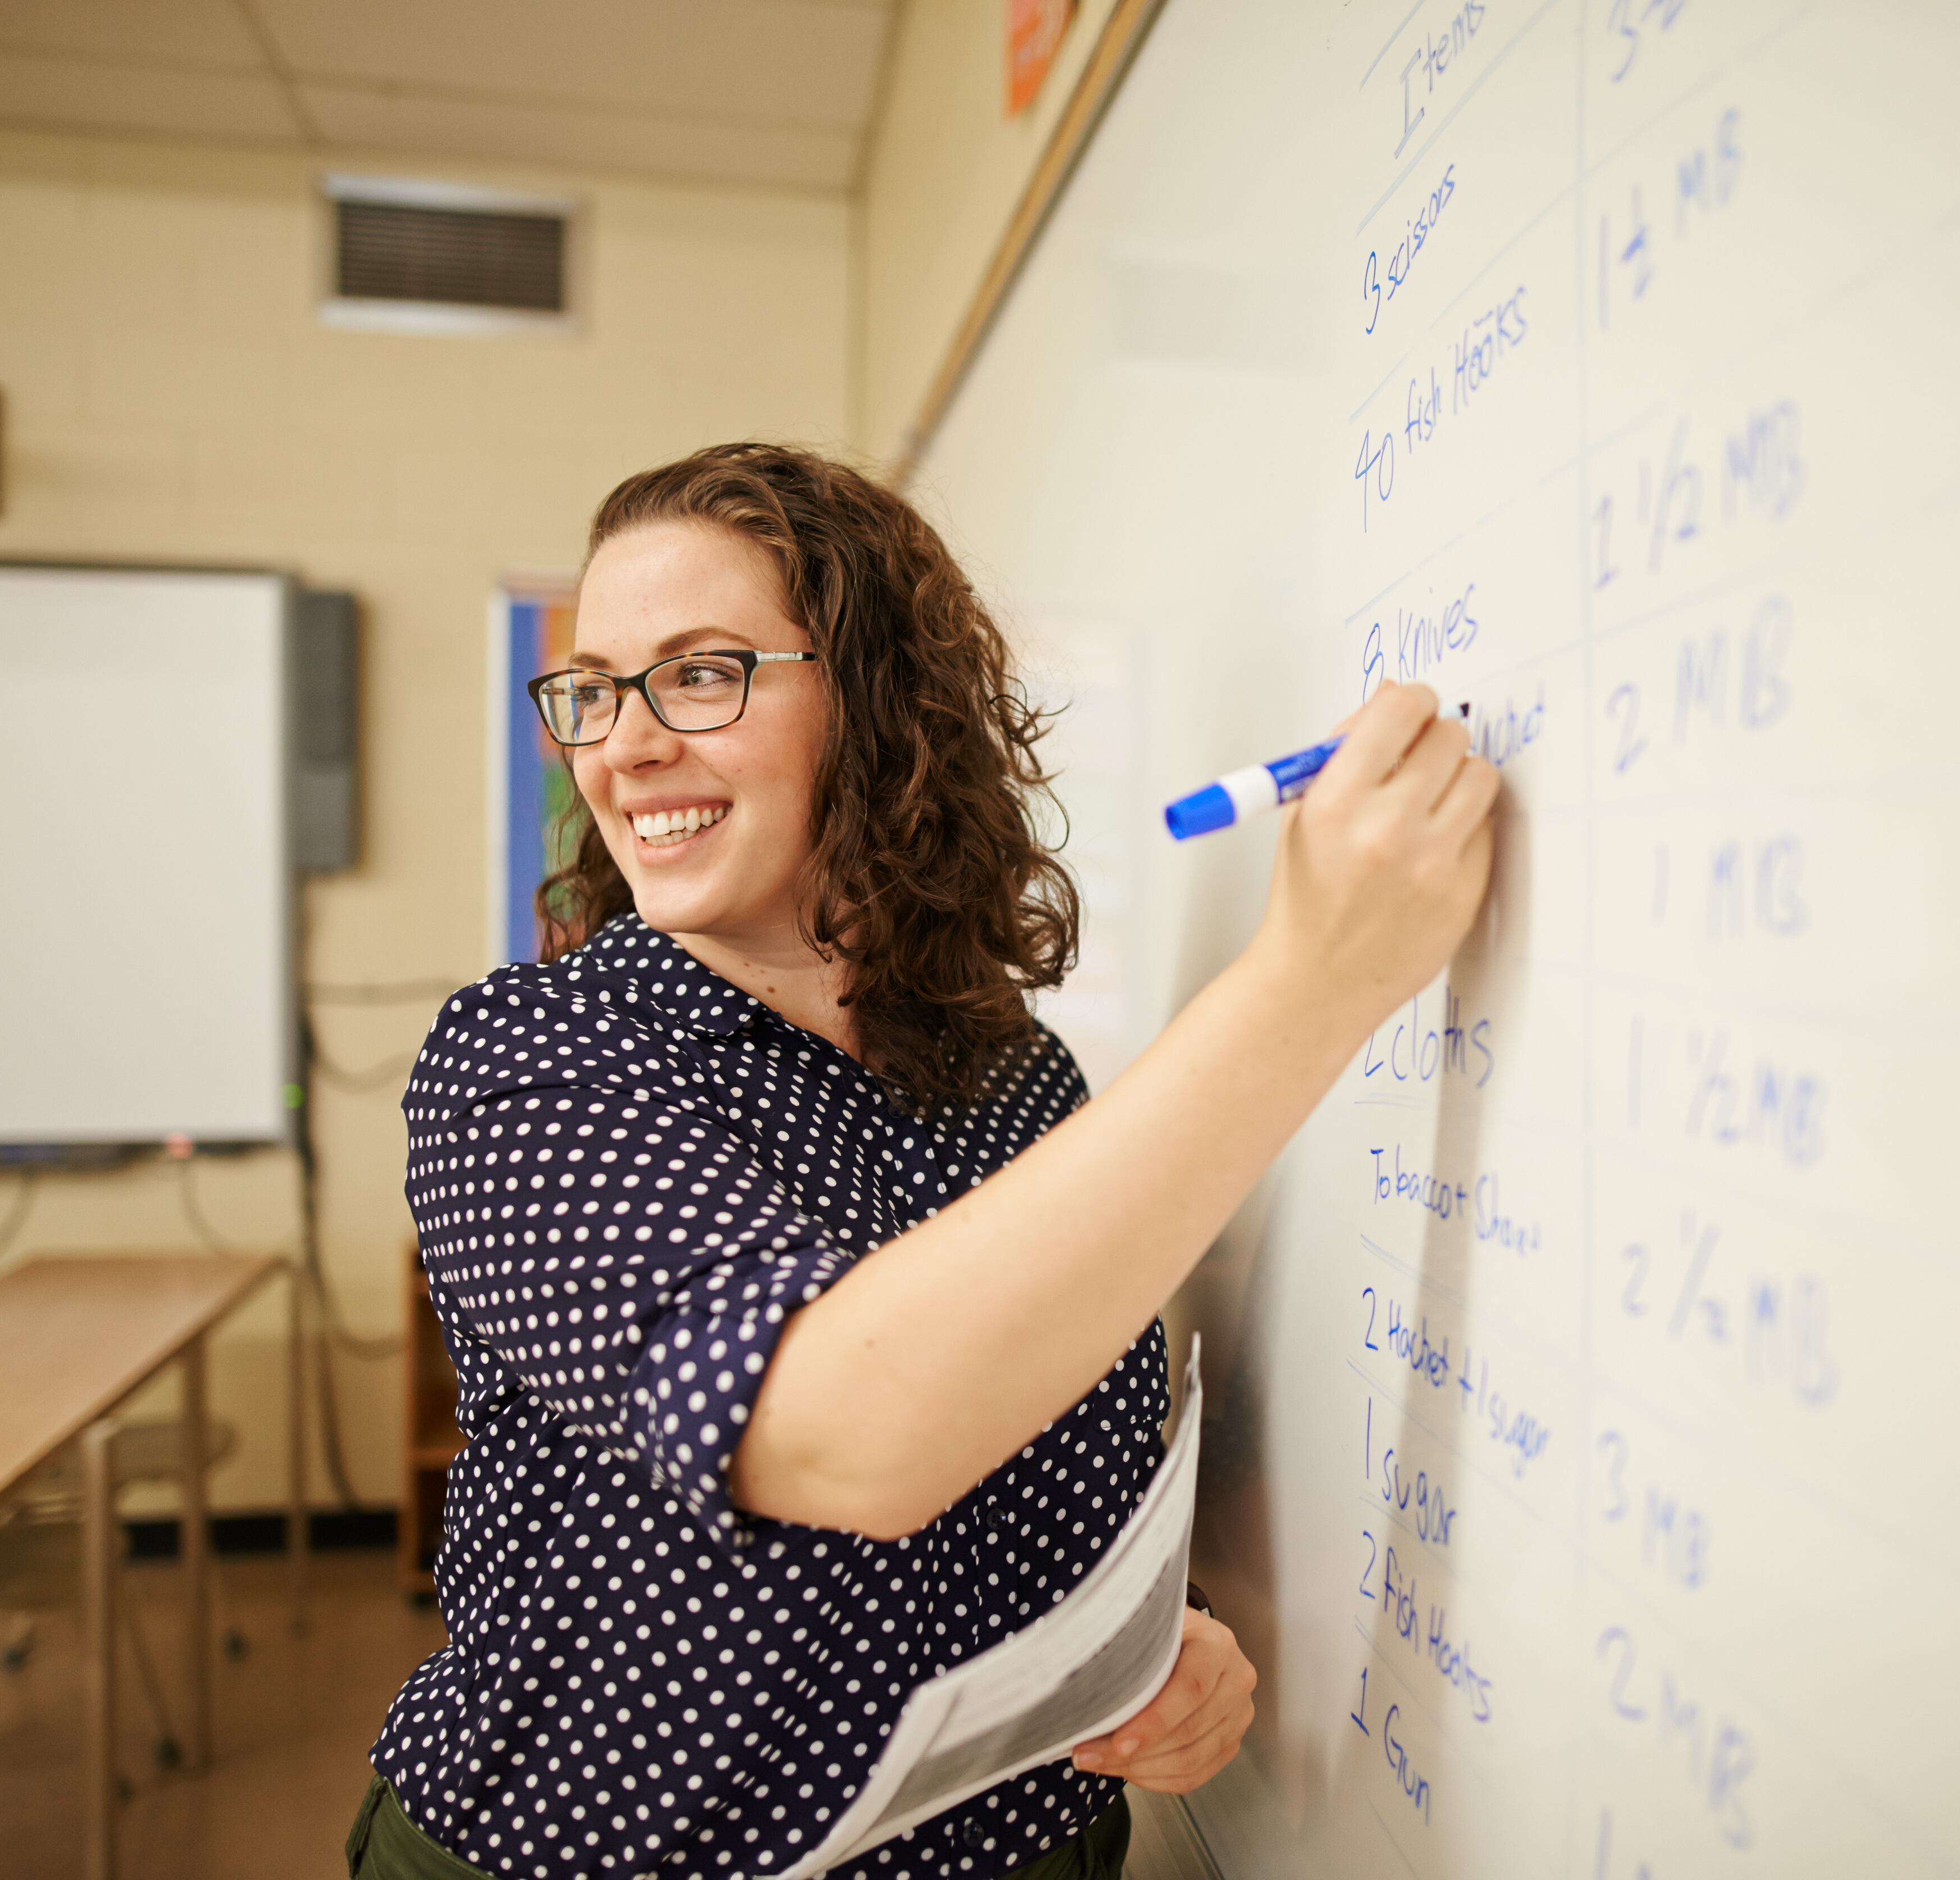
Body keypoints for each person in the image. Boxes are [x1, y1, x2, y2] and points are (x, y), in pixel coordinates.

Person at [352, 443, 1497, 1880]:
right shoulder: (532, 1061)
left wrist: (1162, 1639)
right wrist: (1317, 976)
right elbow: (851, 1432)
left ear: (880, 700)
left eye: (701, 673)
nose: (622, 746)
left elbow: (1044, 1448)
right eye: (592, 688)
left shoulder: (1012, 1073)